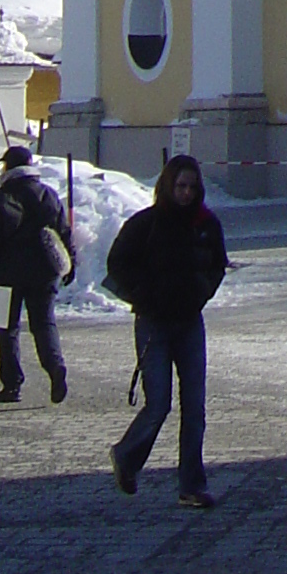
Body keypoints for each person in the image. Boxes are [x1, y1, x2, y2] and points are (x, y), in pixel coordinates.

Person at [104, 155, 229, 510]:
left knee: (195, 408)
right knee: (158, 403)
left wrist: (202, 291)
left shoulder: (206, 224)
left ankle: (192, 485)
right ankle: (126, 457)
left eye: (192, 187)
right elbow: (117, 266)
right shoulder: (146, 224)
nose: (186, 193)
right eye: (180, 186)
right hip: (153, 323)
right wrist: (144, 296)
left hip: (190, 322)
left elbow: (218, 265)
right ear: (168, 186)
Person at [0, 143, 75, 405]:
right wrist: (71, 261)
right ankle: (55, 367)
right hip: (45, 271)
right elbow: (64, 231)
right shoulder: (48, 194)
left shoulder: (2, 197)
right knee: (44, 323)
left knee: (8, 329)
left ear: (8, 168)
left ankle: (12, 385)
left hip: (9, 273)